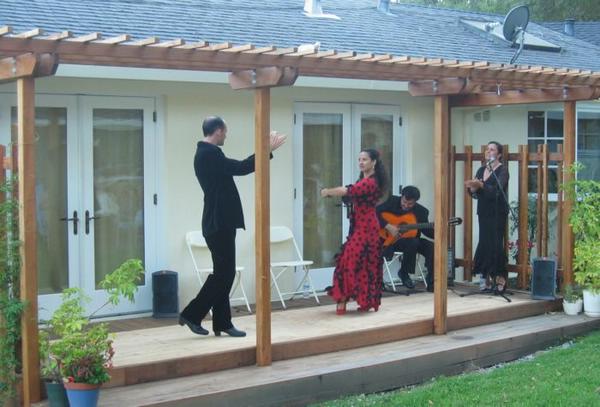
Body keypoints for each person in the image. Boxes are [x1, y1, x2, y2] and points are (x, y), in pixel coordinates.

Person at [179, 116, 286, 337]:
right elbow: (241, 167)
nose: (226, 135)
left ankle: (222, 323)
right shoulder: (209, 154)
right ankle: (192, 314)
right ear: (218, 131)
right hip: (219, 223)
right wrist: (266, 150)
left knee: (224, 273)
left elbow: (237, 168)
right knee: (224, 275)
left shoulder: (207, 153)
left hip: (219, 222)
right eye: (225, 131)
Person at [320, 149, 388, 314]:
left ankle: (344, 300)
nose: (361, 162)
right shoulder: (363, 180)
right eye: (359, 159)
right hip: (359, 226)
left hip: (367, 228)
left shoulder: (371, 182)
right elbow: (351, 192)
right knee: (357, 262)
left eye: (364, 159)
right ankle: (357, 300)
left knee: (349, 261)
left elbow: (348, 191)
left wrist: (327, 191)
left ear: (374, 162)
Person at [465, 141, 509, 293]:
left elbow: (497, 192)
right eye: (487, 149)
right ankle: (486, 275)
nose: (488, 152)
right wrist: (472, 188)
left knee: (496, 244)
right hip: (483, 211)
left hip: (497, 212)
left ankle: (501, 277)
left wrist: (482, 186)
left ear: (499, 154)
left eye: (492, 149)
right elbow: (476, 194)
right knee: (484, 242)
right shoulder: (481, 169)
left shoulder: (503, 171)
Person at [376, 186, 435, 292]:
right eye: (404, 202)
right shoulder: (390, 201)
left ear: (415, 202)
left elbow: (427, 231)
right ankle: (403, 273)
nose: (406, 205)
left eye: (410, 204)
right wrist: (388, 226)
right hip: (388, 240)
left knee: (431, 247)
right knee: (413, 242)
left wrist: (439, 231)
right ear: (401, 196)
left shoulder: (421, 211)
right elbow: (373, 214)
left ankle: (432, 283)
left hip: (410, 241)